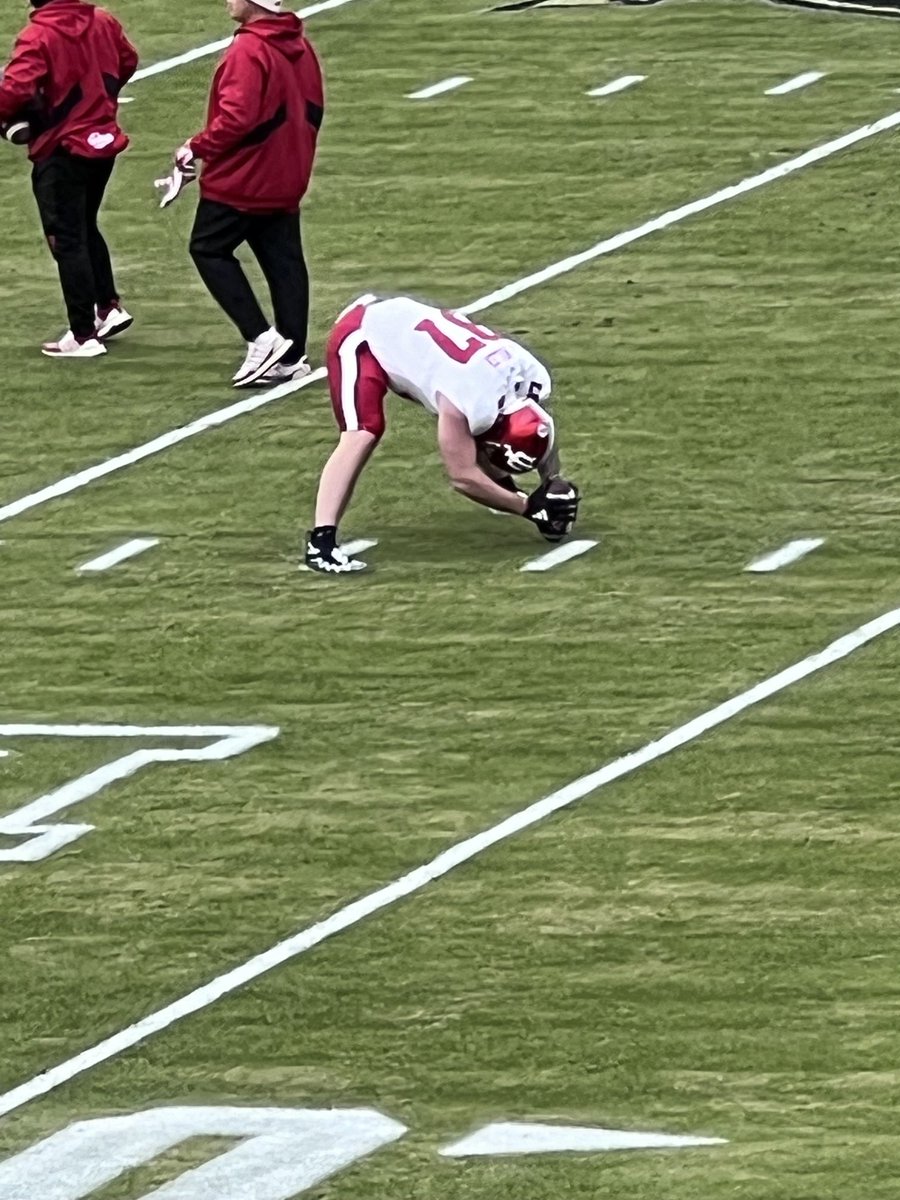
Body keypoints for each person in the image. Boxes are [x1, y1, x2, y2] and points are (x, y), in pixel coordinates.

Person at [305, 295, 581, 574]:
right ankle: (321, 542)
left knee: (475, 437)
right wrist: (528, 508)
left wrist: (552, 481)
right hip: (364, 334)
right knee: (363, 432)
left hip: (412, 332)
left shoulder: (529, 377)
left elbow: (541, 426)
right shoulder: (468, 396)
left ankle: (507, 492)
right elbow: (462, 476)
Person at [174, 0, 324, 389]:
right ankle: (292, 355)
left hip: (244, 175)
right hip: (287, 169)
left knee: (208, 247)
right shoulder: (300, 45)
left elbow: (237, 117)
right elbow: (314, 108)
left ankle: (261, 338)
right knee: (284, 260)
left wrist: (196, 146)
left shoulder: (248, 49)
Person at [0, 0, 138, 358]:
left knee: (67, 238)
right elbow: (128, 61)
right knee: (84, 226)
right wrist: (97, 99)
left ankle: (82, 334)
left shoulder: (38, 35)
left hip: (62, 149)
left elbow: (15, 90)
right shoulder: (102, 20)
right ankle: (107, 307)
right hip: (102, 140)